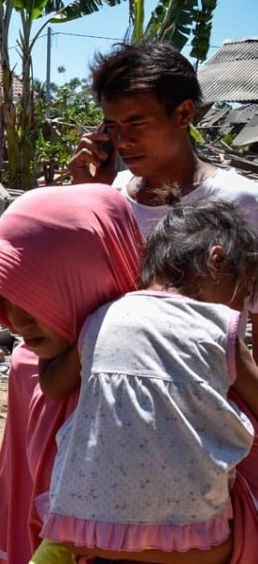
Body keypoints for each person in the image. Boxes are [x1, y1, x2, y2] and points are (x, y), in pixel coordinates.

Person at [33, 200, 258, 564]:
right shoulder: (221, 328)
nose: (240, 309)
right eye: (242, 291)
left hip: (86, 532)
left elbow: (53, 387)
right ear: (217, 261)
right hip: (195, 546)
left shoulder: (102, 318)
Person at [0, 183, 143, 564]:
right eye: (8, 298)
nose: (16, 319)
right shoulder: (28, 365)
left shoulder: (138, 385)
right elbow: (18, 485)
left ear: (92, 278)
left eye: (36, 294)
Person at [66, 40, 258, 351]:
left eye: (136, 123)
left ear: (183, 114)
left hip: (206, 396)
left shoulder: (243, 202)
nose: (123, 141)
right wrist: (93, 197)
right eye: (113, 126)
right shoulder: (106, 196)